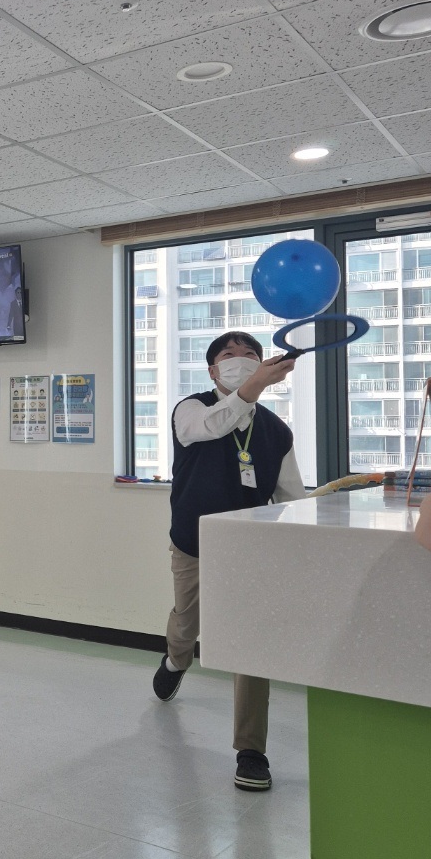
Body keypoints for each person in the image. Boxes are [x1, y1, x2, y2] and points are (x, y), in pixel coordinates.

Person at [152, 332, 303, 791]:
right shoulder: (190, 409)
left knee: (250, 642)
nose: (241, 361)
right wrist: (253, 387)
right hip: (193, 543)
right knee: (187, 621)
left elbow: (291, 496)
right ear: (213, 371)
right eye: (228, 355)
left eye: (250, 355)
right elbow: (212, 427)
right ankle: (176, 660)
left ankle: (251, 750)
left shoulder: (277, 431)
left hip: (249, 552)